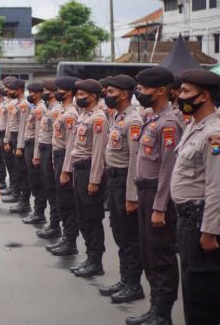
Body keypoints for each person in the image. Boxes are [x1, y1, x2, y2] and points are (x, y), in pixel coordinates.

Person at [126, 66, 182, 325]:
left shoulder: (169, 124)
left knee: (160, 254)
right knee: (148, 252)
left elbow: (168, 170)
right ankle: (154, 308)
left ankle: (163, 313)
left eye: (144, 88)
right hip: (145, 190)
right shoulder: (152, 117)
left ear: (161, 91)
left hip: (158, 194)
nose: (139, 92)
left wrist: (159, 206)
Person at [170, 69, 220, 325]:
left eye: (186, 92)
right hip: (187, 220)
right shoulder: (194, 126)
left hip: (200, 222)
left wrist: (210, 231)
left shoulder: (215, 133)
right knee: (190, 284)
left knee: (203, 291)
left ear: (205, 95)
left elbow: (216, 187)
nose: (180, 96)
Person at [99, 75, 145, 304]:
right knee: (118, 232)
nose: (107, 94)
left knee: (129, 236)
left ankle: (134, 284)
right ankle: (125, 279)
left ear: (124, 94)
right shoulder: (118, 117)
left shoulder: (133, 121)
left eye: (111, 91)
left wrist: (131, 196)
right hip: (114, 180)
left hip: (124, 182)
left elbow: (135, 161)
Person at [63, 79, 108, 278]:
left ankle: (96, 261)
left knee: (92, 219)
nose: (78, 98)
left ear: (93, 96)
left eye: (82, 95)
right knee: (82, 217)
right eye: (77, 94)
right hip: (79, 170)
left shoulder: (99, 118)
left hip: (89, 170)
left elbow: (98, 153)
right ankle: (90, 257)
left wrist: (94, 180)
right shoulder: (83, 116)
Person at [48, 77, 80, 256]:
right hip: (58, 156)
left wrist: (66, 170)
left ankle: (70, 241)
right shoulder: (65, 112)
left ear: (67, 92)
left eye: (59, 89)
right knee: (62, 201)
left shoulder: (71, 115)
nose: (56, 92)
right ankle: (66, 238)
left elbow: (70, 145)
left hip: (65, 158)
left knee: (67, 202)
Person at [35, 80, 62, 238]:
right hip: (45, 149)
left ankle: (54, 225)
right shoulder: (50, 108)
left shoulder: (57, 110)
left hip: (52, 150)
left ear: (52, 92)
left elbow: (56, 136)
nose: (43, 92)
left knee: (52, 190)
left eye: (45, 90)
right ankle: (53, 224)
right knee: (48, 187)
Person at [3, 79, 32, 213]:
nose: (8, 92)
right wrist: (8, 140)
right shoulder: (17, 104)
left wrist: (19, 146)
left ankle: (24, 202)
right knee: (17, 170)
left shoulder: (24, 105)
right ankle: (20, 198)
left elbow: (22, 127)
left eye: (11, 89)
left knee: (22, 171)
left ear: (19, 90)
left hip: (20, 139)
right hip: (14, 138)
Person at [21, 82, 48, 224]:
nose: (29, 95)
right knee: (33, 180)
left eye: (31, 93)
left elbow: (39, 134)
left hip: (34, 147)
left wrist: (36, 155)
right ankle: (36, 211)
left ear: (38, 94)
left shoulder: (40, 109)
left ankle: (39, 212)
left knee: (37, 182)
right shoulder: (36, 107)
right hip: (30, 145)